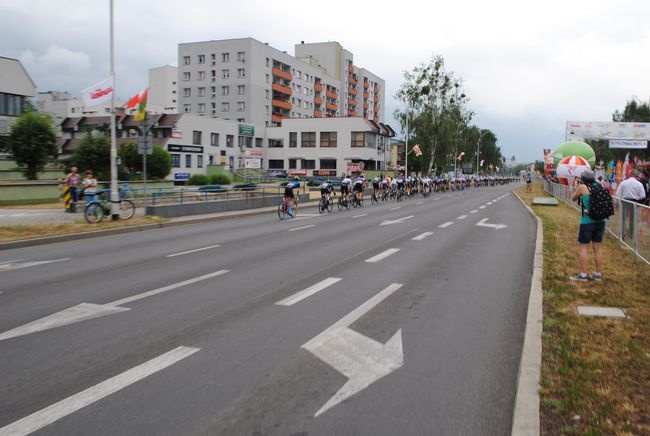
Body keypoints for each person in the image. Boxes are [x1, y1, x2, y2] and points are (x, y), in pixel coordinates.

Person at [570, 171, 605, 281]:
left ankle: (583, 275)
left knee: (584, 247)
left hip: (587, 221)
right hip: (601, 221)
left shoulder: (582, 187)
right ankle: (598, 274)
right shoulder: (600, 186)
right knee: (597, 248)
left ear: (583, 179)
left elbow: (573, 198)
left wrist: (575, 187)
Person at [615, 169, 646, 238]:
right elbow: (643, 195)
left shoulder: (623, 183)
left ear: (629, 174)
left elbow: (618, 194)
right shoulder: (639, 184)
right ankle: (631, 234)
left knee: (623, 218)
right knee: (633, 219)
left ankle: (622, 234)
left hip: (624, 201)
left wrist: (617, 202)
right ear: (635, 175)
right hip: (634, 202)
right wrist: (637, 198)